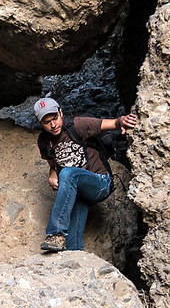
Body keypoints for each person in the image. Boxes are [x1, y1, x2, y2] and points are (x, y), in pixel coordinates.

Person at [33, 97, 138, 253]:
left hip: (100, 183)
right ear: (40, 123)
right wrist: (52, 174)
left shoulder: (77, 125)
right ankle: (75, 259)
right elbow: (53, 165)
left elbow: (110, 123)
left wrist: (121, 121)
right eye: (47, 122)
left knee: (68, 173)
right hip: (79, 191)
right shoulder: (44, 141)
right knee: (72, 241)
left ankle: (56, 233)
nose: (53, 124)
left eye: (55, 118)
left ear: (60, 113)